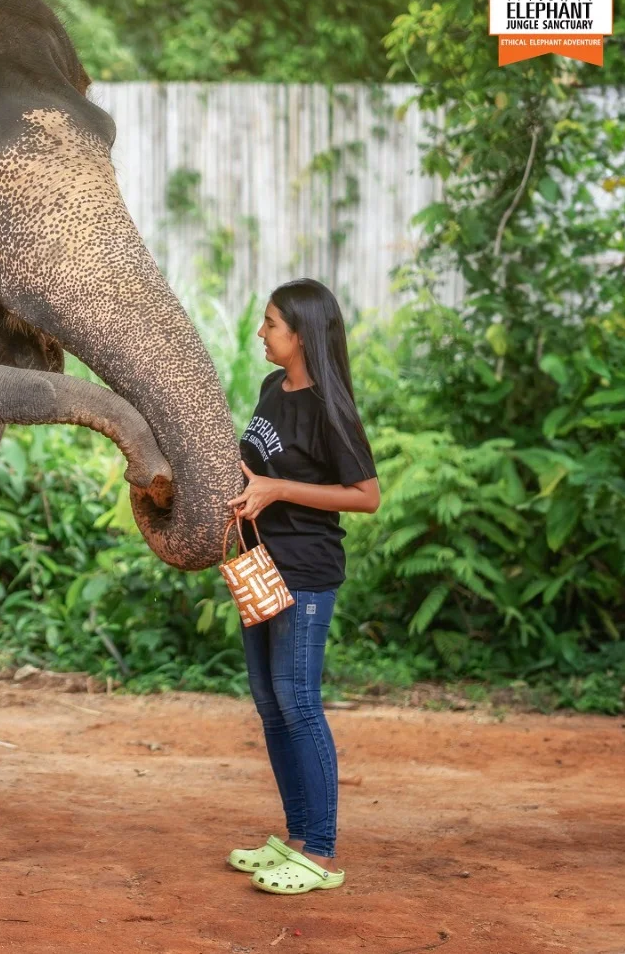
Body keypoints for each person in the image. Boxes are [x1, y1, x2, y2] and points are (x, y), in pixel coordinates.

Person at [224, 279, 380, 895]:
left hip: (307, 571)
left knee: (299, 700)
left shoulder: (329, 408)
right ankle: (295, 837)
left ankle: (320, 850)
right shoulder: (272, 389)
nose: (261, 333)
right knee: (269, 700)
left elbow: (366, 496)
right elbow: (256, 468)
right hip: (261, 563)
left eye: (270, 324)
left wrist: (279, 490)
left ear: (301, 333)